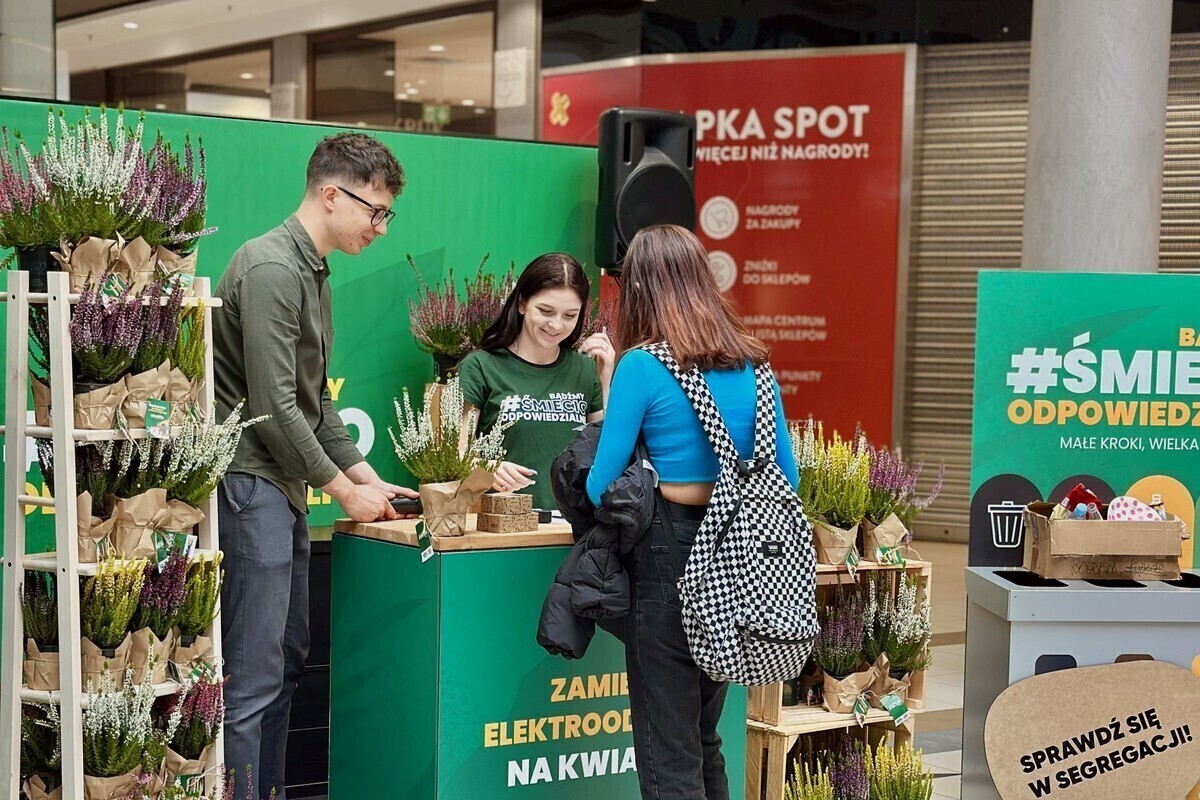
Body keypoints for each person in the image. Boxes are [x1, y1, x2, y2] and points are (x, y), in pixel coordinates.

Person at [213, 132, 418, 799]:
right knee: (252, 678)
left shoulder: (314, 271)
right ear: (331, 195)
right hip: (252, 483)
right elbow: (273, 410)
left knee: (288, 663)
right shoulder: (271, 267)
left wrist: (363, 476)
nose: (380, 227)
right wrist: (339, 489)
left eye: (386, 214)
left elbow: (315, 405)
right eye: (374, 211)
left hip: (285, 487)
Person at [584, 224, 799, 800]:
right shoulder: (753, 363)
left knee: (665, 746)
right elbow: (788, 475)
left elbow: (601, 485)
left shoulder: (641, 366)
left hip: (670, 554)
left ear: (640, 291)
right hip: (744, 552)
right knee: (705, 738)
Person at [458, 253, 616, 511]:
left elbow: (604, 454)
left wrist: (605, 381)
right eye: (545, 311)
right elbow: (456, 453)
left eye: (569, 315)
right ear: (521, 303)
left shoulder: (585, 370)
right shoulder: (481, 367)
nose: (556, 324)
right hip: (502, 526)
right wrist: (488, 468)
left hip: (574, 530)